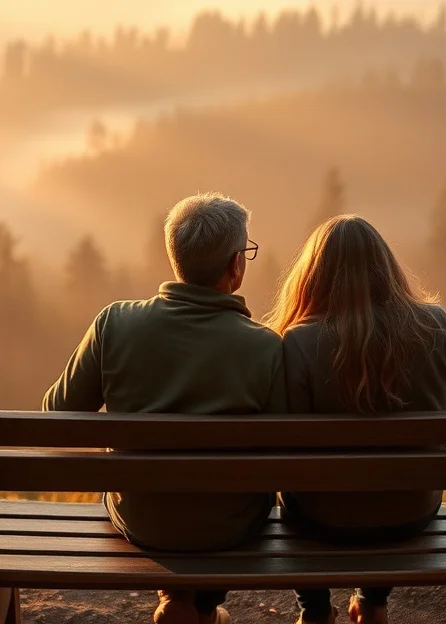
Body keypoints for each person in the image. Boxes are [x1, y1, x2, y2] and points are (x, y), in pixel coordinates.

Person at [43, 192, 284, 624]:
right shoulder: (265, 347)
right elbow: (285, 448)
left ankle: (175, 597)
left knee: (158, 499)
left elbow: (57, 417)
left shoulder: (114, 323)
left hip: (143, 522)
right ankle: (204, 606)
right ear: (235, 266)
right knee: (232, 499)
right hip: (228, 527)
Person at [265, 215, 446, 624]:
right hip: (411, 516)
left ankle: (314, 610)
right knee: (387, 490)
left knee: (292, 496)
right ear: (388, 268)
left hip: (321, 522)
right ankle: (373, 602)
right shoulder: (437, 325)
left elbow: (285, 452)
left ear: (313, 276)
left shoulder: (298, 341)